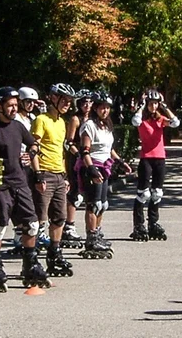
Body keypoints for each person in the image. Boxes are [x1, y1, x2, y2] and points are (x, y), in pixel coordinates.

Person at [0, 86, 50, 291]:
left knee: (32, 225)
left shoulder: (18, 126)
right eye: (10, 105)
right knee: (0, 226)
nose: (14, 109)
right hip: (1, 185)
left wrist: (31, 154)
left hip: (20, 182)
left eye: (16, 105)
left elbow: (34, 145)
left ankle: (30, 264)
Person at [31, 83, 76, 278]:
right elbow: (34, 147)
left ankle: (54, 254)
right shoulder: (41, 120)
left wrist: (65, 175)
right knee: (39, 220)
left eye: (69, 101)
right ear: (53, 98)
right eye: (64, 100)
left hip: (58, 174)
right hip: (45, 173)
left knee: (59, 218)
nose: (67, 104)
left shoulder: (61, 123)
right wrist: (37, 174)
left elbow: (61, 151)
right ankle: (31, 259)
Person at [77, 91, 127, 259]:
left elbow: (108, 149)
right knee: (93, 204)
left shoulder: (106, 126)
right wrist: (91, 169)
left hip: (105, 166)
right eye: (101, 108)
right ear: (96, 108)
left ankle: (97, 234)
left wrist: (120, 161)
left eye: (107, 108)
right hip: (92, 166)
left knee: (103, 204)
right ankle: (90, 238)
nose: (105, 111)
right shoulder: (89, 125)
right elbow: (85, 150)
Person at [130, 89, 180, 241]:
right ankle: (138, 224)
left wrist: (165, 107)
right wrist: (141, 105)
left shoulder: (160, 119)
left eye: (155, 104)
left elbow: (176, 123)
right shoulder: (142, 119)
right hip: (146, 158)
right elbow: (135, 121)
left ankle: (153, 222)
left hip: (160, 158)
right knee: (143, 193)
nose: (153, 107)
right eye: (151, 104)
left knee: (157, 193)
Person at [61, 90, 92, 248]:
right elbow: (68, 142)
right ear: (79, 104)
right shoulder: (75, 119)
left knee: (89, 195)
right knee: (75, 193)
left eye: (90, 102)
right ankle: (69, 226)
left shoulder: (93, 119)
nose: (87, 105)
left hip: (90, 160)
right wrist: (79, 155)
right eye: (84, 102)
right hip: (77, 159)